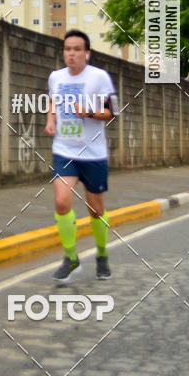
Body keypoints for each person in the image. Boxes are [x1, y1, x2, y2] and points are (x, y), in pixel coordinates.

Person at [45, 29, 118, 282]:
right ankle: (71, 258)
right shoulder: (55, 77)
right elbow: (53, 102)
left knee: (96, 210)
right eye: (67, 49)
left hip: (93, 153)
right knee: (62, 202)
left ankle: (101, 254)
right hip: (64, 150)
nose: (71, 54)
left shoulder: (100, 77)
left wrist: (89, 112)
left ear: (87, 52)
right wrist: (50, 120)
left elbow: (113, 111)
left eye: (77, 49)